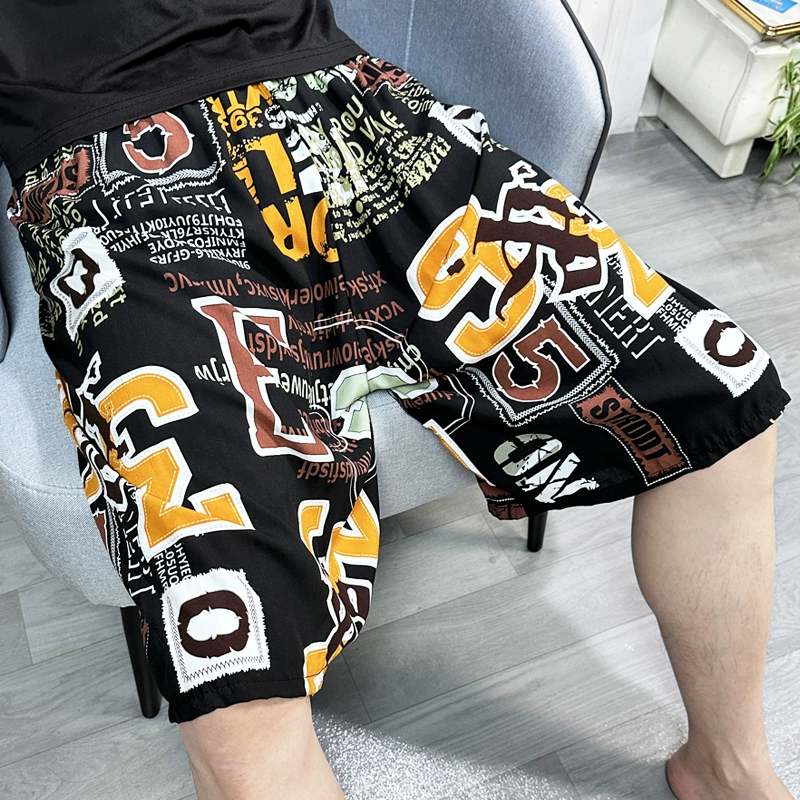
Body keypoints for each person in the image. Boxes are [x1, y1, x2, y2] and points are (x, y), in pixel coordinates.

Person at [0, 2, 793, 799]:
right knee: (235, 675)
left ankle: (727, 769)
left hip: (343, 105)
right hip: (104, 167)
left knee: (725, 397)